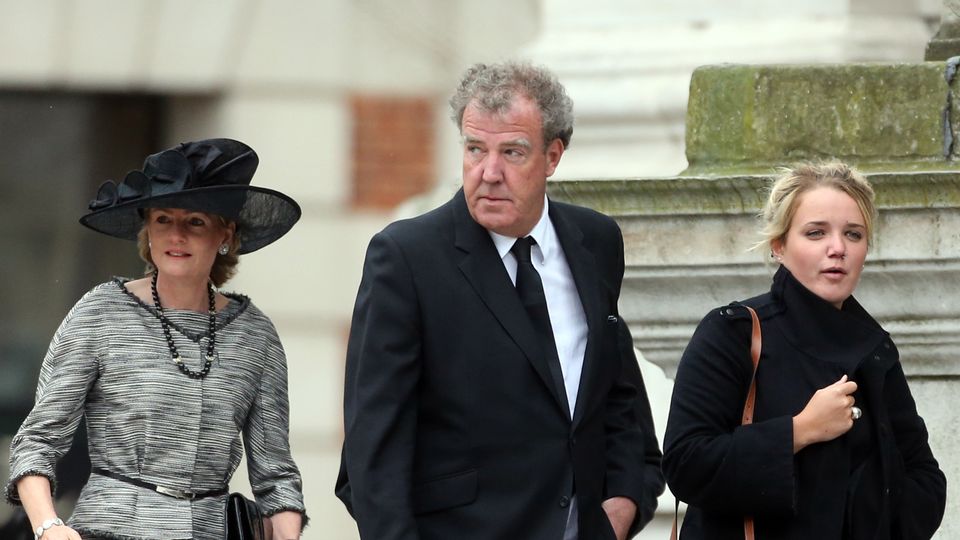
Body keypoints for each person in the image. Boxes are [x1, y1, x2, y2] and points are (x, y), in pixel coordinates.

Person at [335, 61, 664, 540]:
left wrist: (624, 500)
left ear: (552, 157)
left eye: (512, 152)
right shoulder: (405, 257)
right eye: (475, 149)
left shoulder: (596, 241)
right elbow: (374, 448)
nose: (489, 173)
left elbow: (617, 396)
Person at [6, 138, 308, 540]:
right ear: (147, 231)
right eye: (163, 219)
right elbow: (38, 440)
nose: (175, 235)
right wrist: (48, 526)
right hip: (109, 529)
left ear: (226, 234)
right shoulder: (101, 312)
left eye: (195, 221)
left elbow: (277, 477)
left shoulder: (255, 334)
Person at [662, 162, 947, 539]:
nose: (838, 248)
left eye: (854, 234)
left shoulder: (875, 349)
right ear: (779, 246)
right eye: (815, 233)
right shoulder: (734, 331)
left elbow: (924, 477)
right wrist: (800, 430)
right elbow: (686, 463)